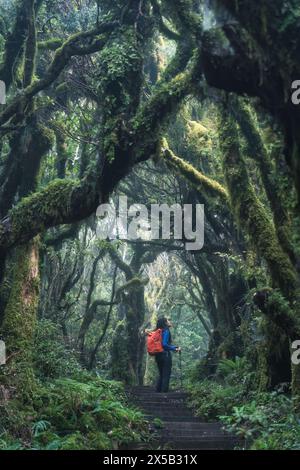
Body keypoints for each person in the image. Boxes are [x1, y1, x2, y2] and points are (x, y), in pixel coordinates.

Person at [155, 316, 181, 393]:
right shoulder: (166, 331)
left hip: (158, 355)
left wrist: (174, 347)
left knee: (161, 374)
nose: (170, 321)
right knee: (166, 374)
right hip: (165, 355)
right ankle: (164, 394)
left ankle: (158, 392)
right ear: (165, 323)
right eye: (168, 320)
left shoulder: (159, 331)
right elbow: (164, 344)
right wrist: (174, 349)